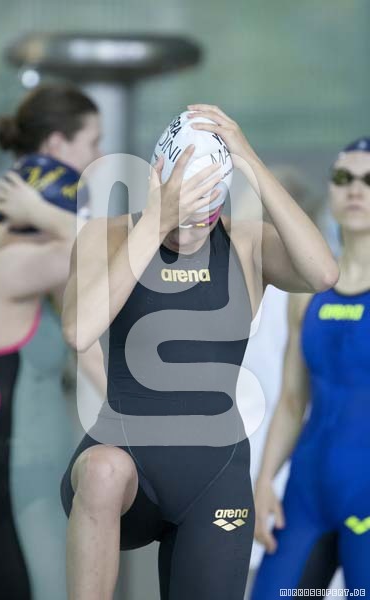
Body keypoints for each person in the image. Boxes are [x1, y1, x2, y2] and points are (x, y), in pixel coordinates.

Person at [60, 104, 339, 600]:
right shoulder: (109, 236)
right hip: (125, 464)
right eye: (180, 217)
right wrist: (154, 223)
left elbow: (323, 274)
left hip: (213, 477)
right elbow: (79, 330)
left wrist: (249, 160)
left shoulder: (245, 244)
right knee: (103, 471)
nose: (188, 234)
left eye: (203, 217)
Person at [0, 83, 106, 600]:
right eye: (92, 142)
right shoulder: (15, 263)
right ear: (55, 145)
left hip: (25, 472)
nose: (95, 158)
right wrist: (50, 215)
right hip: (14, 476)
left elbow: (85, 344)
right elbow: (114, 253)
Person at [251, 138, 370, 598]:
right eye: (343, 178)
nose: (355, 189)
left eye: (368, 180)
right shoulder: (308, 292)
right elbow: (292, 399)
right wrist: (264, 481)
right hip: (307, 495)